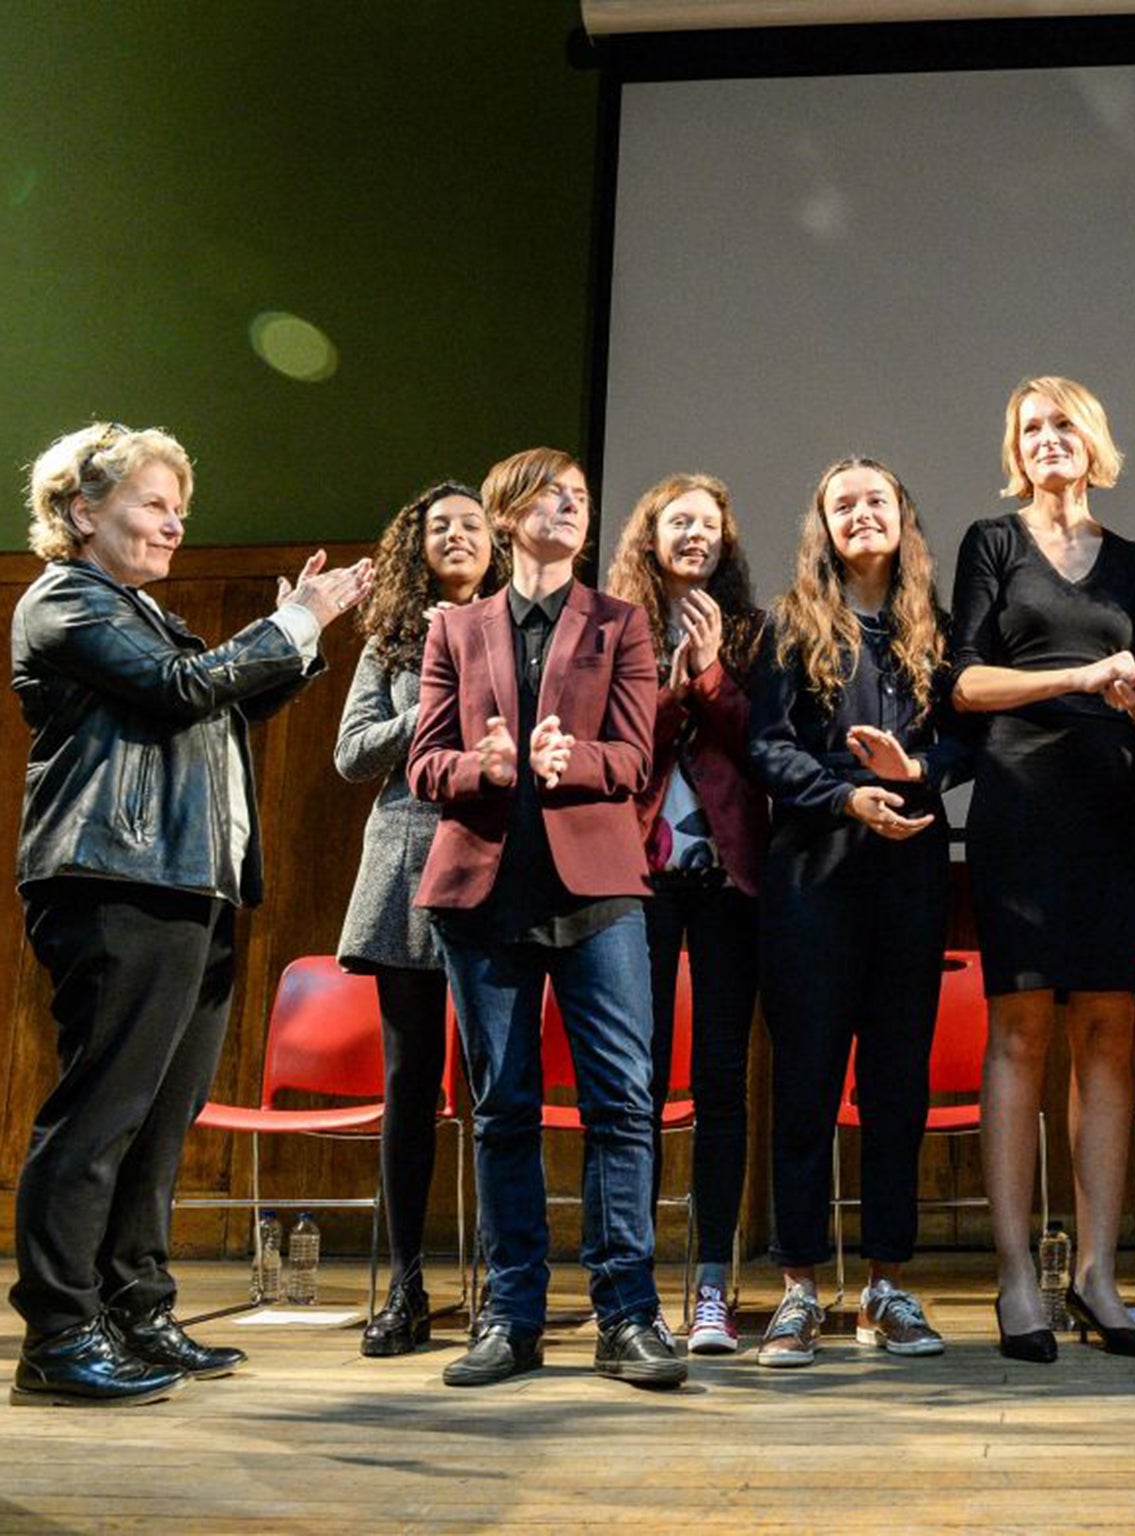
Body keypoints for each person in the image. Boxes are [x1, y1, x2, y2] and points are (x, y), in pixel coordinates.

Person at [10, 423, 370, 1406]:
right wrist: (291, 626)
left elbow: (217, 702)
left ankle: (134, 1306)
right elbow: (182, 691)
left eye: (181, 511)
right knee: (101, 1116)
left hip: (188, 884)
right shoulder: (67, 601)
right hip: (116, 881)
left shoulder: (139, 611)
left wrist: (302, 633)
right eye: (155, 506)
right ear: (83, 512)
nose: (175, 526)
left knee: (159, 1122)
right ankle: (59, 1330)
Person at [408, 447, 682, 1391]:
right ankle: (513, 1313)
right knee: (503, 1109)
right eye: (551, 496)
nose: (569, 508)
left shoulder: (622, 622)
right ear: (508, 511)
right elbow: (422, 761)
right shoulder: (456, 626)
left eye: (580, 499)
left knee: (621, 1104)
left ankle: (628, 1315)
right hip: (483, 894)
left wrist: (581, 762)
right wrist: (475, 770)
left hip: (598, 891)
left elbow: (638, 758)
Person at [952, 377, 1135, 1362]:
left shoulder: (1132, 563)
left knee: (1107, 1037)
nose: (1045, 439)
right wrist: (1080, 675)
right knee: (1019, 1031)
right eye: (1028, 428)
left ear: (1092, 440)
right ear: (1016, 448)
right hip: (1020, 806)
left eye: (1061, 424)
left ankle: (1095, 1275)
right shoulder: (990, 544)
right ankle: (1013, 1279)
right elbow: (966, 682)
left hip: (1113, 809)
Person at [747, 457, 972, 1367]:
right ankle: (800, 1289)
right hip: (812, 871)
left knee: (895, 1086)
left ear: (903, 518)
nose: (861, 513)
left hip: (912, 871)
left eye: (876, 499)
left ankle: (886, 1284)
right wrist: (847, 798)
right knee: (804, 1083)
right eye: (844, 503)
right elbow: (765, 747)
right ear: (825, 527)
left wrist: (914, 773)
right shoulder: (786, 625)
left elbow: (969, 740)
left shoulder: (940, 631)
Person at [335, 480, 502, 1357]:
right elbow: (351, 754)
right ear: (418, 548)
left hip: (496, 860)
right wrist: (426, 705)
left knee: (493, 1084)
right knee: (411, 1084)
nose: (457, 536)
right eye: (439, 527)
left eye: (472, 524)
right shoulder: (392, 640)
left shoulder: (521, 629)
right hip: (404, 864)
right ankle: (405, 1287)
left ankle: (501, 1287)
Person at [607, 471, 769, 1355]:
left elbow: (765, 749)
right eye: (680, 521)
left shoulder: (752, 631)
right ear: (653, 536)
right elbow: (621, 753)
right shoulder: (616, 628)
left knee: (720, 1086)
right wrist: (670, 687)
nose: (695, 534)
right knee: (636, 1087)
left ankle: (712, 1287)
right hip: (639, 882)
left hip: (730, 882)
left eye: (710, 522)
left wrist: (708, 675)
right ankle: (635, 1290)